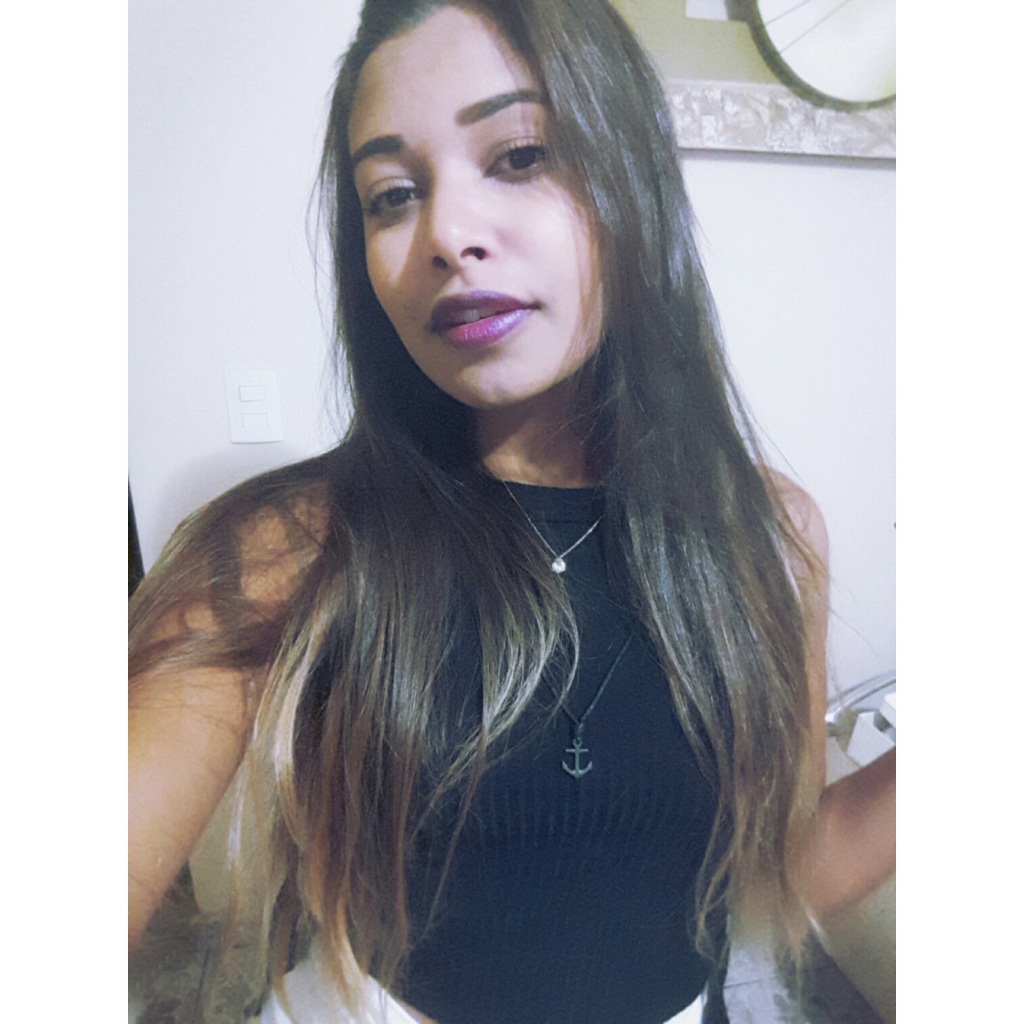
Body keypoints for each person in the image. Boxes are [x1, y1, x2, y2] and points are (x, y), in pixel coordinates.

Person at [128, 2, 896, 1022]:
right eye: (392, 195)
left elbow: (781, 874)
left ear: (633, 181)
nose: (447, 235)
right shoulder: (286, 550)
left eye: (521, 155)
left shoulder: (770, 536)